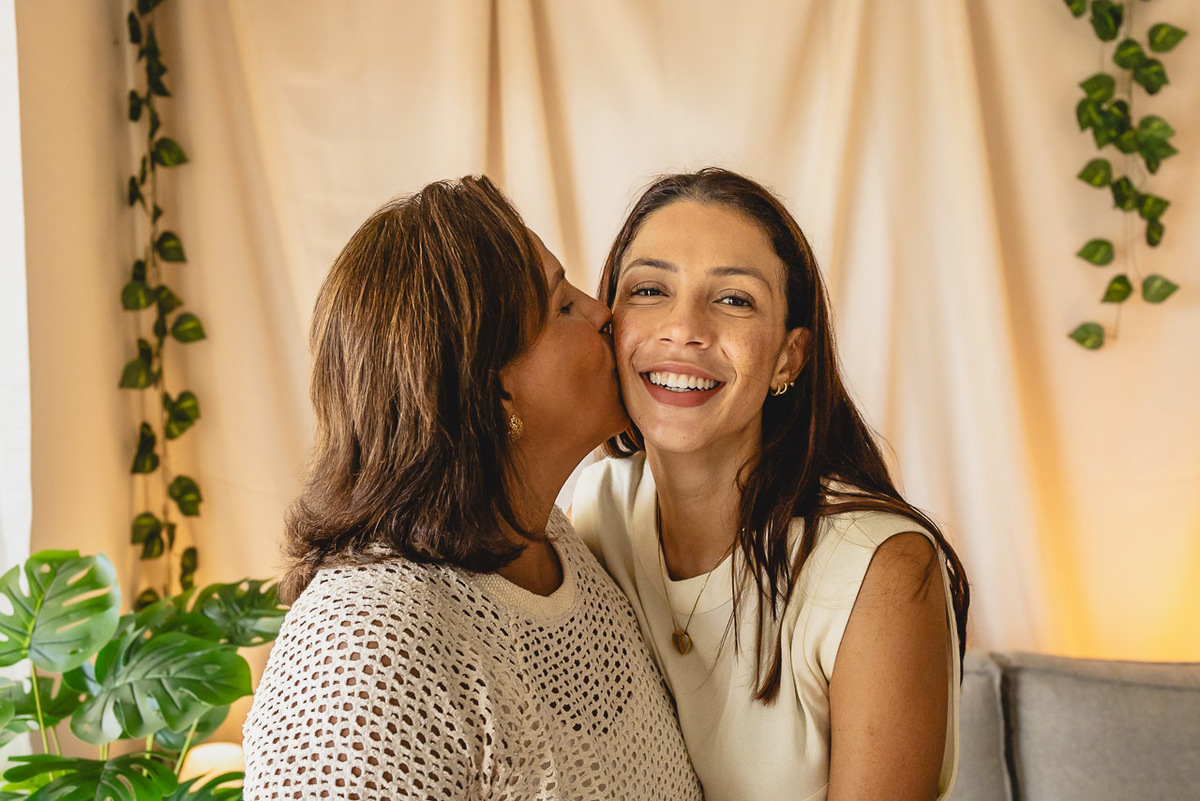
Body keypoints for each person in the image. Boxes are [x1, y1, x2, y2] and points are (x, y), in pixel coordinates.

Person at [243, 176, 703, 800]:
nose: (603, 313)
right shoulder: (363, 651)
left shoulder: (557, 550)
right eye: (563, 306)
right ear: (493, 389)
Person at [572, 168, 969, 801]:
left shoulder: (879, 571)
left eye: (733, 299)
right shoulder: (591, 511)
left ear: (789, 357)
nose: (684, 329)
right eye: (650, 289)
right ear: (609, 325)